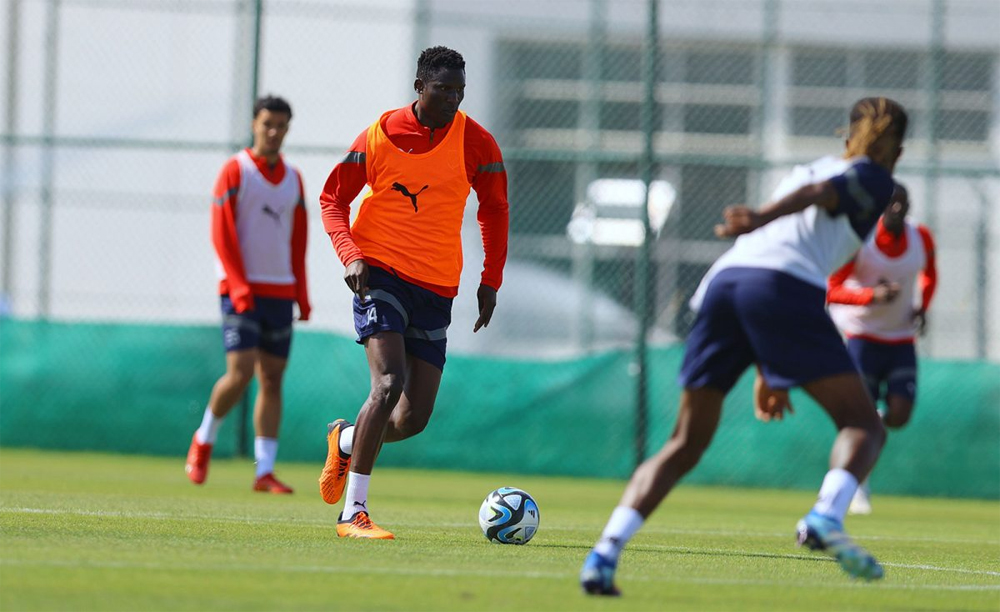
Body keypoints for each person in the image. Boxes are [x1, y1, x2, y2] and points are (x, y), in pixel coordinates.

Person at [580, 97, 909, 595]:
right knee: (864, 424)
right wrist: (760, 215)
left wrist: (767, 370)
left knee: (684, 442)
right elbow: (821, 198)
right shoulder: (876, 179)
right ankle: (826, 516)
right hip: (781, 287)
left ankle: (604, 554)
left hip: (725, 284)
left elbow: (803, 211)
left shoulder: (808, 167)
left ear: (846, 137)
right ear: (898, 151)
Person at [317, 46, 509, 539]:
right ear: (420, 87)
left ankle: (346, 441)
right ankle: (352, 513)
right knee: (387, 384)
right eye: (443, 89)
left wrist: (491, 278)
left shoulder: (478, 142)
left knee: (412, 418)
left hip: (436, 286)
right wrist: (350, 255)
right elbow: (333, 198)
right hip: (379, 274)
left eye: (459, 91)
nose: (453, 99)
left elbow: (494, 208)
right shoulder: (378, 136)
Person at [185, 95, 311, 494]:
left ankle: (264, 471)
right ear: (254, 124)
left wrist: (302, 293)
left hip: (280, 291)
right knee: (239, 374)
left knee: (272, 380)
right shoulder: (235, 170)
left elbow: (298, 240)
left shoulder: (293, 178)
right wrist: (239, 286)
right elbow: (221, 233)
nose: (274, 132)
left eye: (281, 125)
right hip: (240, 290)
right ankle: (204, 439)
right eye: (267, 123)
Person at [827, 181, 937, 514]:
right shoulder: (862, 240)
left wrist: (922, 306)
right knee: (858, 419)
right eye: (892, 203)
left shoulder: (920, 236)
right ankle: (857, 484)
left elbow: (930, 274)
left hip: (901, 339)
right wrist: (870, 296)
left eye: (904, 203)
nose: (898, 209)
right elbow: (831, 289)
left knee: (899, 415)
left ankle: (874, 426)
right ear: (880, 207)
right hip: (862, 338)